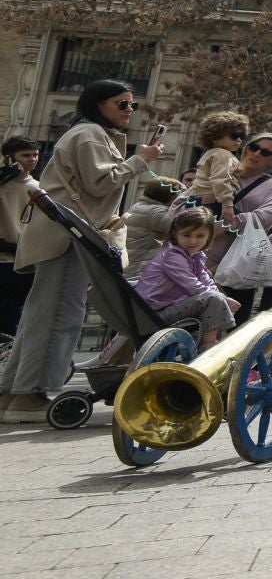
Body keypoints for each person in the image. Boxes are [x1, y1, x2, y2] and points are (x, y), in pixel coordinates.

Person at [1, 79, 161, 424]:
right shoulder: (89, 135)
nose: (129, 110)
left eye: (132, 104)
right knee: (60, 313)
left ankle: (14, 393)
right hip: (69, 237)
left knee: (41, 313)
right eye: (122, 104)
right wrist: (139, 160)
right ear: (97, 104)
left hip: (64, 234)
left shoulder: (90, 134)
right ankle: (31, 395)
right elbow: (99, 182)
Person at [206, 131, 272, 325]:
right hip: (203, 254)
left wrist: (224, 224)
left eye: (266, 152)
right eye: (254, 147)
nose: (257, 154)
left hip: (241, 264)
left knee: (235, 326)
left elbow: (265, 218)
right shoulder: (220, 170)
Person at [133, 207, 239, 344]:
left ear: (208, 237)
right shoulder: (173, 255)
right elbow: (192, 286)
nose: (193, 241)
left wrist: (224, 298)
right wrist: (223, 299)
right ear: (175, 234)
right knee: (214, 299)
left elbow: (205, 280)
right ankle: (208, 346)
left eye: (200, 236)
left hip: (163, 308)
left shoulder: (195, 255)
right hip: (153, 314)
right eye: (187, 235)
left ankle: (206, 342)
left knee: (216, 297)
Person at [0, 137, 43, 336]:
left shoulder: (38, 188)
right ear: (10, 158)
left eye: (35, 155)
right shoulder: (2, 185)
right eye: (25, 155)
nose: (32, 159)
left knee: (14, 319)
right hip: (3, 258)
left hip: (25, 261)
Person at [186, 110, 249, 215]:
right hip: (211, 202)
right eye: (234, 136)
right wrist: (227, 204)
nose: (238, 139)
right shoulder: (222, 154)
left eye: (242, 136)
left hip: (198, 200)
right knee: (243, 226)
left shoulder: (212, 153)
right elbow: (220, 179)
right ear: (215, 137)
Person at [121, 175, 183, 281]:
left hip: (131, 268)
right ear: (170, 196)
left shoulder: (139, 206)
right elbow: (179, 231)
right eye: (178, 193)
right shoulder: (157, 212)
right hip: (140, 272)